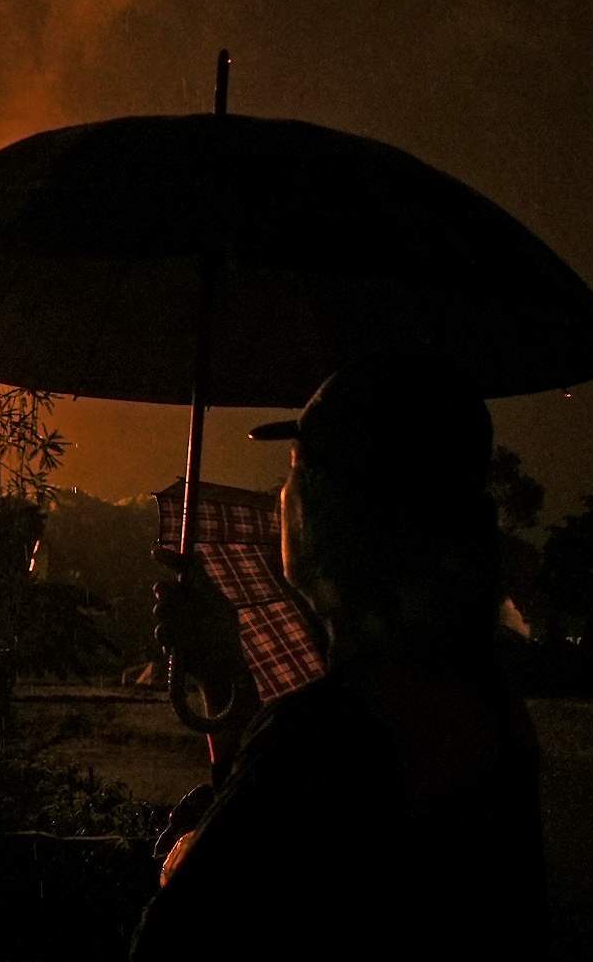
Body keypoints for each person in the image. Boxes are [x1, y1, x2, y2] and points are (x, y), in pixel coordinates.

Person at [130, 355, 547, 959]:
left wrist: (184, 860)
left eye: (295, 472)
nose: (280, 496)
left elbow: (178, 939)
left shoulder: (326, 735)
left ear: (333, 511)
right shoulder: (482, 706)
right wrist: (225, 676)